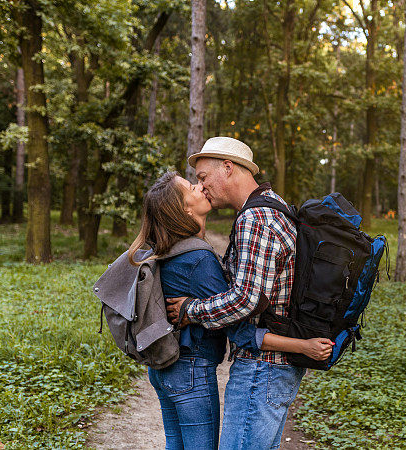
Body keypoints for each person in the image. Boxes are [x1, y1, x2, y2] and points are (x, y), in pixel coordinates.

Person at [129, 171, 333, 450]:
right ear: (184, 209)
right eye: (193, 186)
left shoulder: (168, 250)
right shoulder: (199, 259)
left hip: (164, 370)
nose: (201, 187)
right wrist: (301, 345)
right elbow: (240, 329)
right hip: (191, 372)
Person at [166, 137, 308, 449]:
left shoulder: (255, 218)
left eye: (203, 178)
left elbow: (247, 299)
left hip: (261, 367)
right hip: (271, 365)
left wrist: (190, 311)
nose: (202, 187)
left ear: (228, 168)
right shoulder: (270, 207)